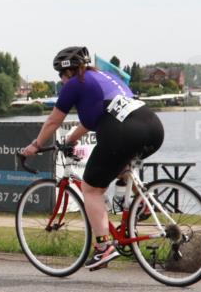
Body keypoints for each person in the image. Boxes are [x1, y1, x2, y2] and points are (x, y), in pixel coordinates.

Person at [20, 46, 164, 270]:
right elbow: (91, 120)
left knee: (91, 189)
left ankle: (104, 247)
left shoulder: (75, 82)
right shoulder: (106, 77)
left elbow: (52, 122)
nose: (61, 80)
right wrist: (71, 139)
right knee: (120, 167)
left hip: (123, 132)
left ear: (67, 71)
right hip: (153, 127)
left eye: (60, 75)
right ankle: (143, 204)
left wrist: (35, 145)